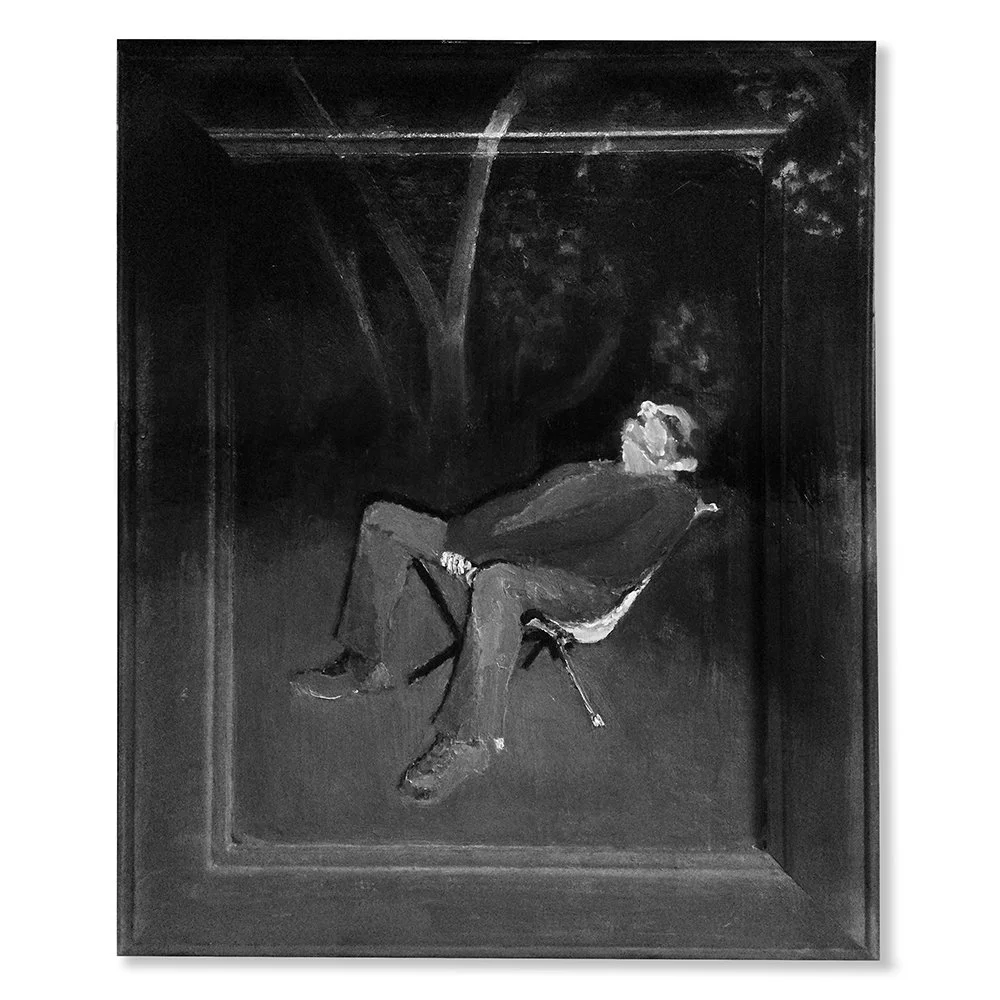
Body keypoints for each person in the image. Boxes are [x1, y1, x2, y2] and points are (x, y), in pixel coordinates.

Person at [292, 401, 716, 804]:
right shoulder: (592, 472)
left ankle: (469, 740)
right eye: (649, 409)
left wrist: (483, 555)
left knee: (499, 583)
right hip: (499, 550)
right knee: (382, 519)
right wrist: (461, 541)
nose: (646, 411)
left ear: (681, 462)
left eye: (666, 421)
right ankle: (363, 663)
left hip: (582, 590)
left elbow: (595, 558)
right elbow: (517, 510)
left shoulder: (667, 502)